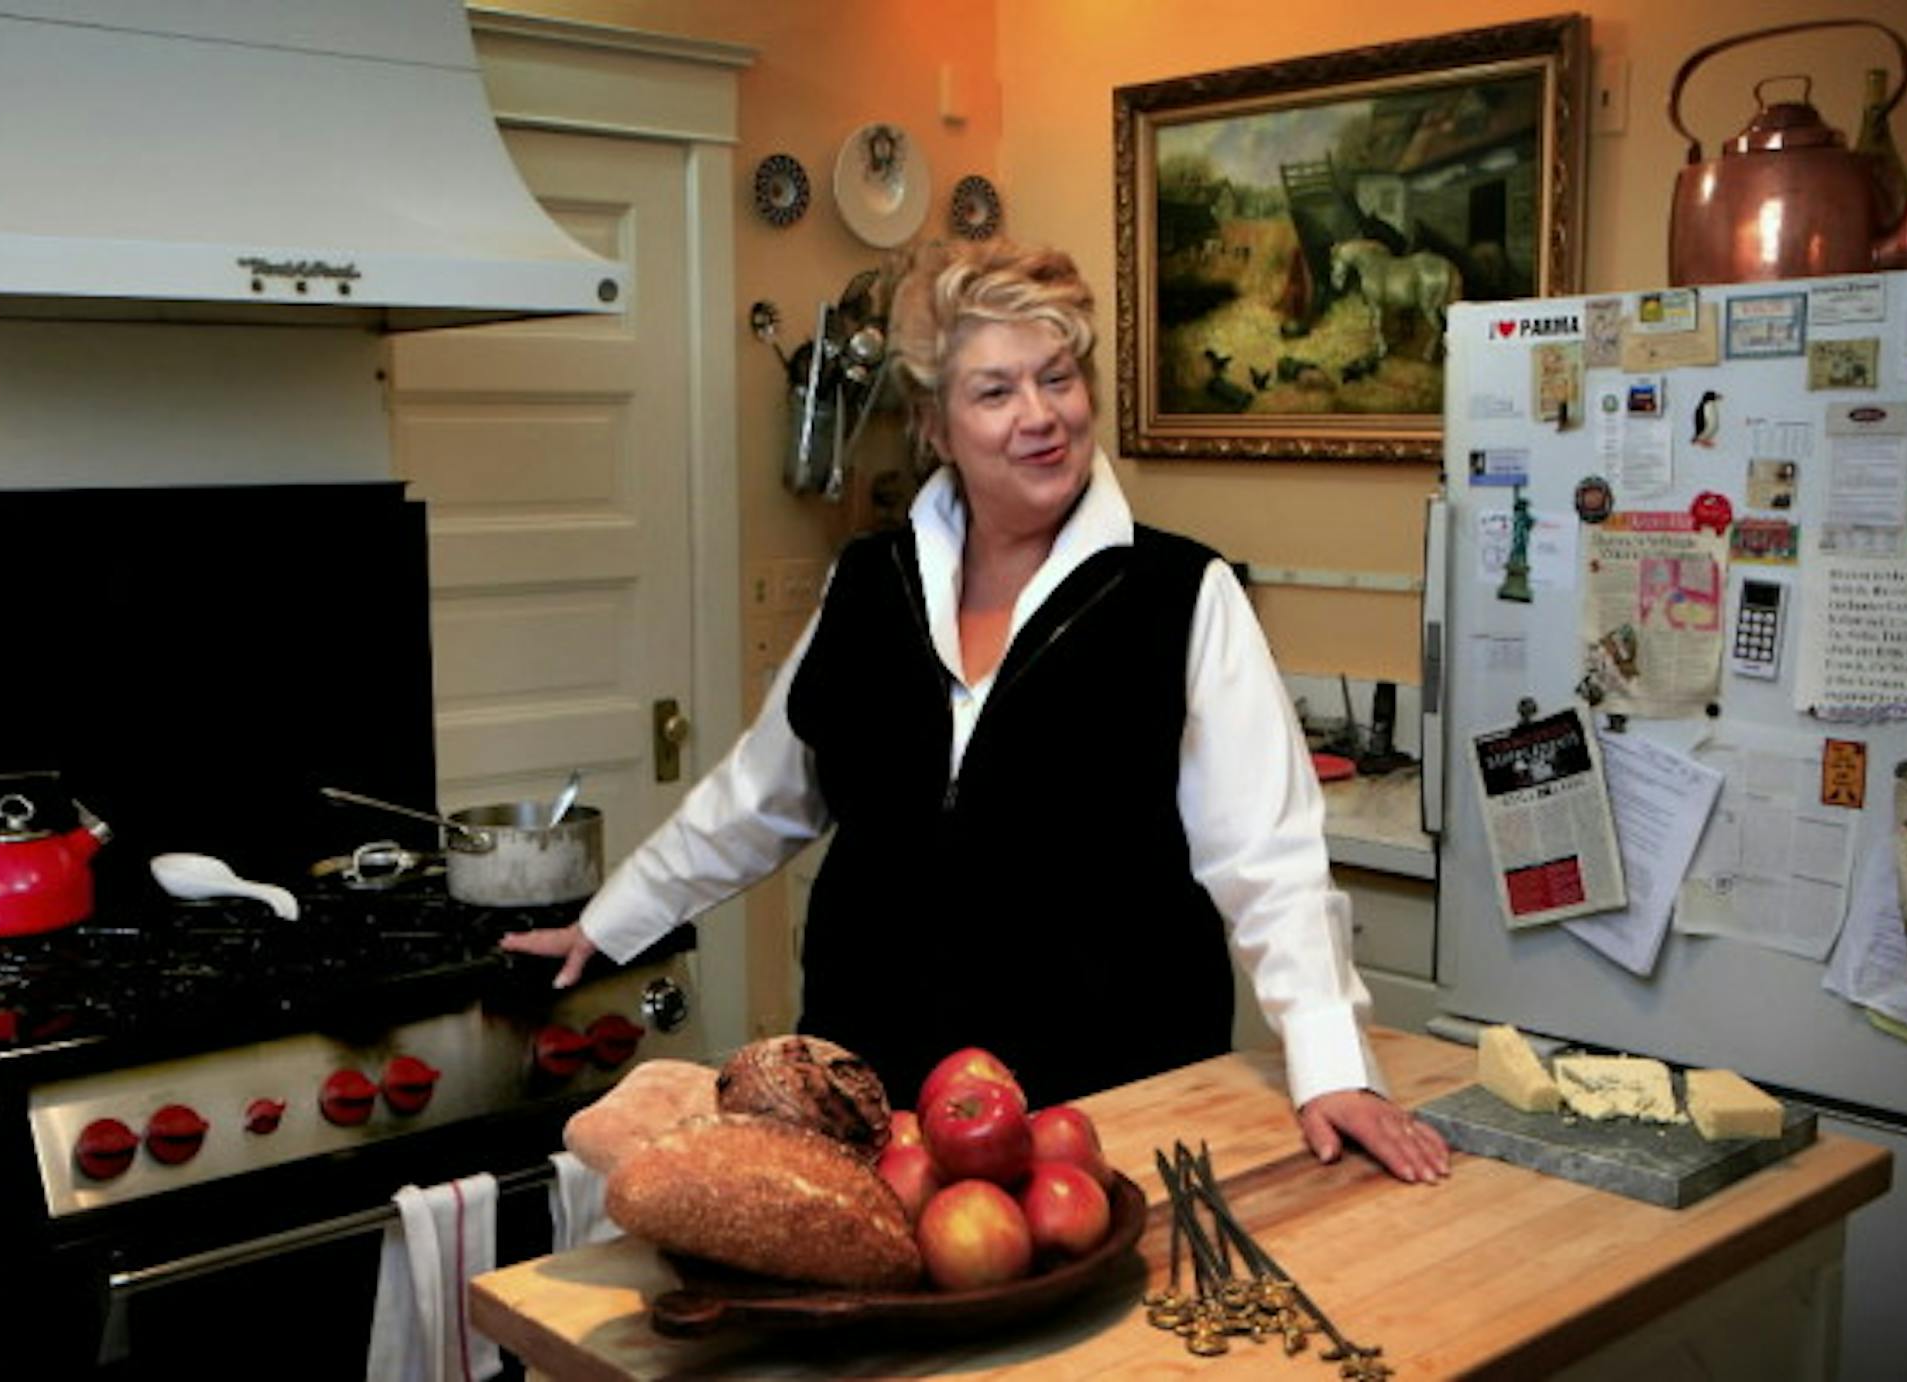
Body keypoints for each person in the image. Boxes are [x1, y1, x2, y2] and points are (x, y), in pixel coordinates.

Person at [503, 239, 1449, 1184]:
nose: (1040, 417)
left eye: (1058, 379)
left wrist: (1333, 1067)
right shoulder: (869, 584)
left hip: (1103, 1107)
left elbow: (1269, 859)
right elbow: (761, 796)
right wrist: (611, 923)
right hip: (875, 1108)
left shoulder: (1182, 593)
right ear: (935, 425)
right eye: (996, 392)